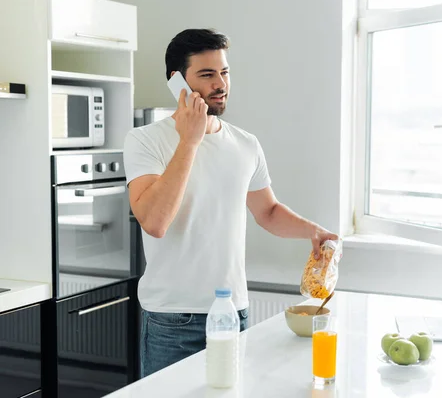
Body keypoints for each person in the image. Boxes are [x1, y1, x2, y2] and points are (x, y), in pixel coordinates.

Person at [123, 28, 338, 377]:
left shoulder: (245, 144)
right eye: (206, 75)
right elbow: (154, 221)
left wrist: (313, 231)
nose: (220, 83)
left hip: (233, 311)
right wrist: (190, 142)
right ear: (177, 82)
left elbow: (267, 211)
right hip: (172, 318)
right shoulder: (145, 141)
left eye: (224, 72)